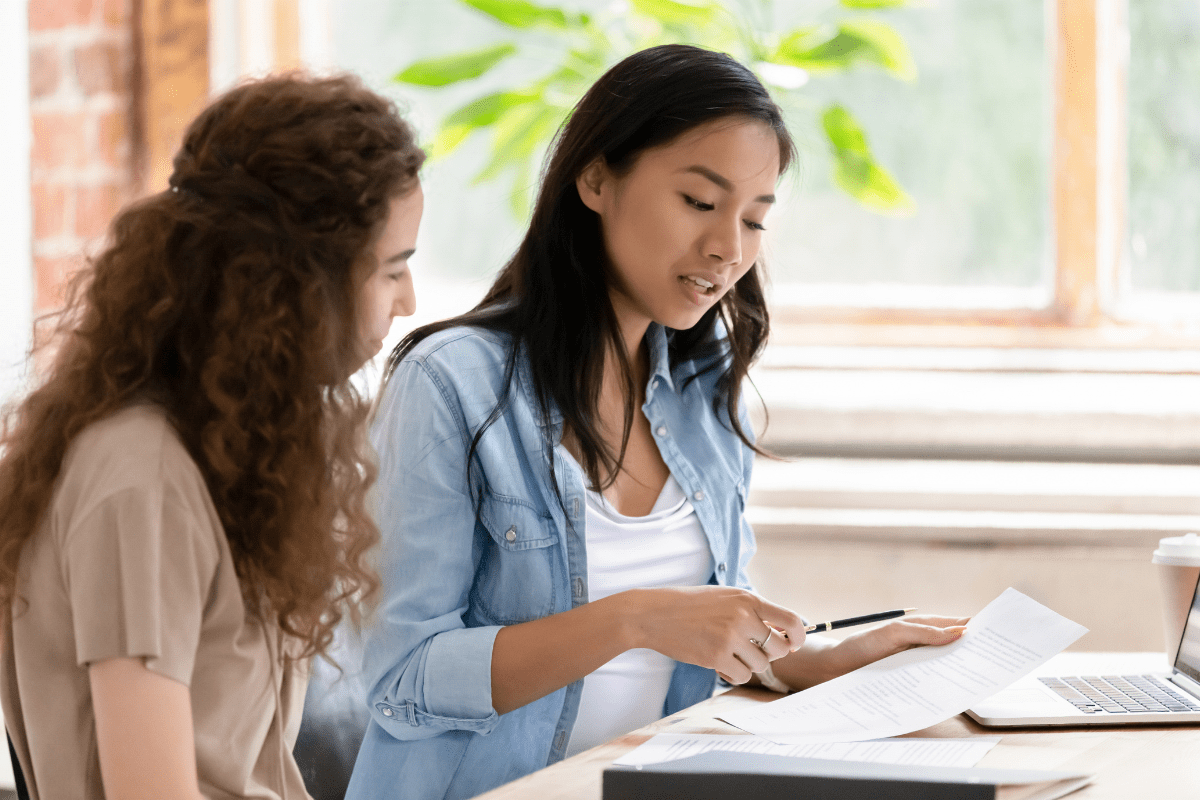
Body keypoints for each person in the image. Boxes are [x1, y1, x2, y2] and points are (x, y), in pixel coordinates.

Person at [346, 44, 966, 800]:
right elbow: (403, 679)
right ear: (597, 178)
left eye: (755, 219)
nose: (728, 249)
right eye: (700, 203)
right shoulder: (452, 384)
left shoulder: (706, 395)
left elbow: (699, 638)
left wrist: (827, 658)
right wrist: (633, 620)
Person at [0, 73, 425, 799]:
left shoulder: (222, 453)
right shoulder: (143, 481)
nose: (410, 302)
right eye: (391, 271)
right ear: (293, 284)